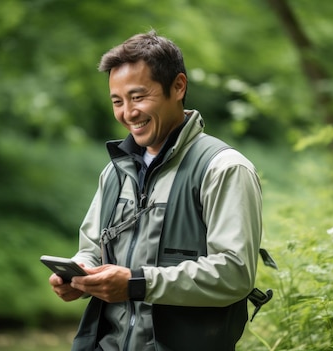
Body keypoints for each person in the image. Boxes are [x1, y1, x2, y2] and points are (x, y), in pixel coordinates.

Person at [48, 30, 263, 351]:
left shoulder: (224, 168)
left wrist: (138, 284)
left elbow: (234, 274)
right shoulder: (114, 172)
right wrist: (79, 275)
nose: (127, 113)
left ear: (178, 87)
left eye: (138, 97)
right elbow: (91, 248)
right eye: (117, 102)